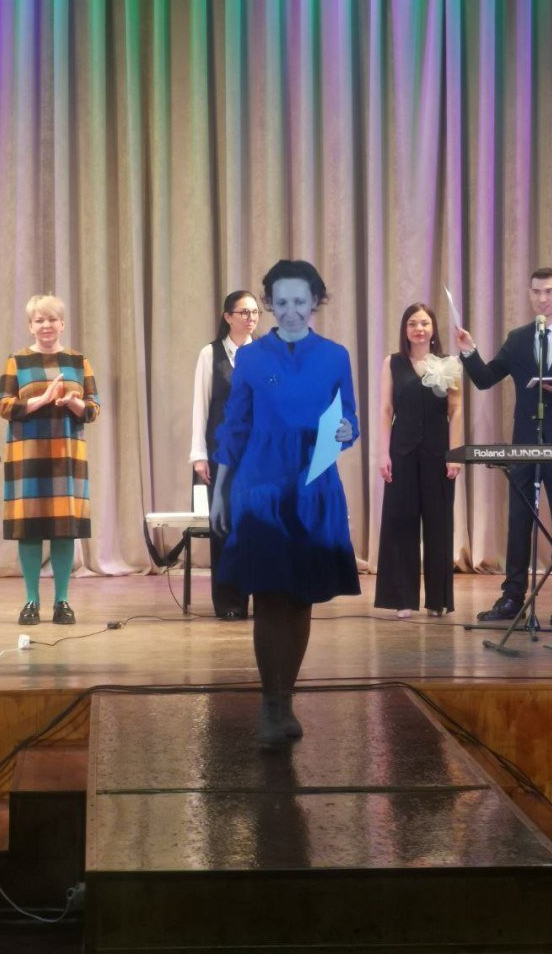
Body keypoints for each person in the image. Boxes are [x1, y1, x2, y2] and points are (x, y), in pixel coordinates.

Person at [211, 260, 360, 746]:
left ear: (314, 300)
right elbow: (235, 425)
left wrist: (348, 429)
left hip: (314, 485)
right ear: (270, 304)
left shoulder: (335, 356)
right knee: (269, 594)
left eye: (300, 300)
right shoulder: (251, 358)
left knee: (301, 597)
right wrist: (220, 489)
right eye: (282, 301)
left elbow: (349, 417)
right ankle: (270, 703)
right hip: (262, 487)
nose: (291, 310)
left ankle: (285, 698)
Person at [455, 267, 552, 625]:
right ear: (529, 294)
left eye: (549, 291)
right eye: (536, 292)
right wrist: (469, 352)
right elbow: (486, 379)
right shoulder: (519, 338)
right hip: (524, 442)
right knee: (519, 521)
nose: (542, 298)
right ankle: (512, 598)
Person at [0, 295, 100, 626]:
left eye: (52, 319)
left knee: (63, 530)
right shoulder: (17, 361)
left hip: (66, 456)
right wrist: (40, 400)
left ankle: (62, 602)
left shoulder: (78, 361)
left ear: (62, 324)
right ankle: (31, 601)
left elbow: (93, 408)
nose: (46, 325)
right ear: (31, 326)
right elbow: (3, 405)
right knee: (29, 530)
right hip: (27, 455)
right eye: (39, 320)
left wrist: (73, 402)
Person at [374, 303, 463, 620]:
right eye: (412, 323)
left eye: (424, 323)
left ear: (433, 328)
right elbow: (386, 410)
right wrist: (383, 453)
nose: (419, 329)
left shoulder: (449, 363)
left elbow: (455, 410)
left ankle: (438, 600)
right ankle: (403, 599)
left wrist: (455, 454)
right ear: (405, 329)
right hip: (402, 452)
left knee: (439, 525)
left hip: (438, 454)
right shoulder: (392, 363)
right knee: (401, 523)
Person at [190, 290, 260, 620]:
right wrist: (199, 454)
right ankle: (230, 602)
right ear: (227, 317)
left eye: (255, 312)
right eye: (243, 312)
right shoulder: (211, 354)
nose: (250, 318)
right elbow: (200, 406)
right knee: (224, 528)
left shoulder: (264, 354)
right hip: (222, 456)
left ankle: (262, 598)